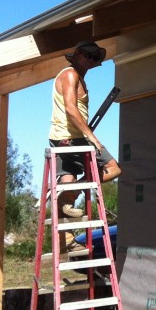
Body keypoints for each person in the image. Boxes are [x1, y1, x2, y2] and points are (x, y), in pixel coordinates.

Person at [49, 41, 121, 231]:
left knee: (68, 185)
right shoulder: (70, 74)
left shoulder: (78, 78)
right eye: (87, 54)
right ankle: (70, 194)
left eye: (94, 57)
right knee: (113, 168)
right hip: (69, 138)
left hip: (64, 138)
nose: (90, 59)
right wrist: (92, 137)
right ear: (77, 54)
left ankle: (68, 241)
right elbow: (71, 109)